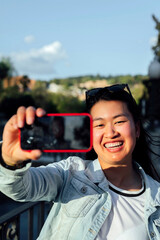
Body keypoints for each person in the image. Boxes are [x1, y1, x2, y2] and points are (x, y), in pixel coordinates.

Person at [0, 84, 160, 240]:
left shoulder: (156, 197)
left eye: (119, 122)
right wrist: (9, 160)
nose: (110, 133)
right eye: (99, 125)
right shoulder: (71, 173)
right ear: (89, 132)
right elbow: (21, 189)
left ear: (137, 129)